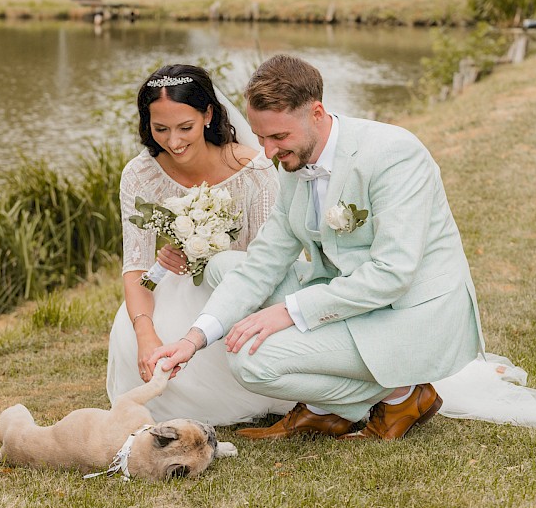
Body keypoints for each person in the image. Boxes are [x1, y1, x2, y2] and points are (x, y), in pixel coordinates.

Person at [149, 54, 486, 441]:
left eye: (278, 137)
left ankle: (403, 393)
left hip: (409, 312)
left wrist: (289, 312)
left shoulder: (394, 154)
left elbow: (392, 274)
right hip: (348, 292)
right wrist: (192, 340)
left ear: (317, 113)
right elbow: (263, 262)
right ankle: (327, 409)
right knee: (224, 266)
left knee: (250, 362)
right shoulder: (295, 162)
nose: (268, 152)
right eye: (261, 137)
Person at [105, 64, 293, 425]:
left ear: (207, 114)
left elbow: (270, 261)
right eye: (161, 129)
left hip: (245, 289)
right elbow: (137, 267)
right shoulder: (139, 175)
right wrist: (145, 334)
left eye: (184, 128)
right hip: (177, 286)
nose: (174, 141)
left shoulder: (253, 170)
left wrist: (209, 258)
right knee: (134, 335)